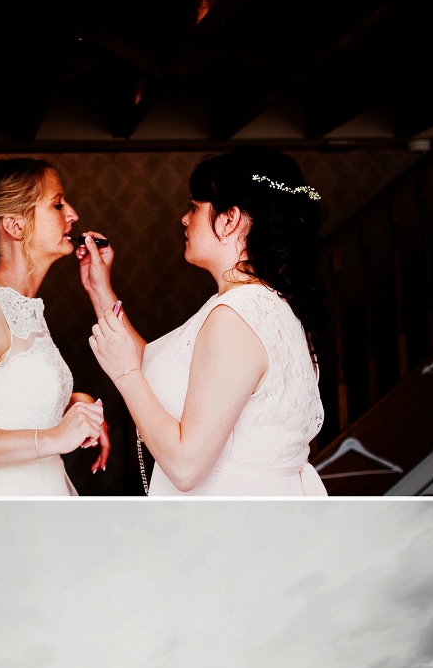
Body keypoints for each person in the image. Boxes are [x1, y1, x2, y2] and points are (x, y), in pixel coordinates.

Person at [80, 148, 327, 496]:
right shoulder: (263, 304)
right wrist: (99, 288)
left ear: (229, 220)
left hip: (226, 523)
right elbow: (155, 363)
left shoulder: (235, 319)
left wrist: (124, 376)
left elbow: (186, 467)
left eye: (193, 207)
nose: (184, 219)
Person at [0, 158, 110, 495]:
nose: (73, 214)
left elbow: (10, 398)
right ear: (16, 226)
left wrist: (72, 405)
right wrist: (55, 437)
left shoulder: (23, 308)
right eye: (57, 204)